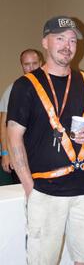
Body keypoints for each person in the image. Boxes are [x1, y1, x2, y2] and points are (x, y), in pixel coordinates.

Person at [7, 16, 84, 265]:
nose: (67, 45)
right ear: (45, 42)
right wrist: (29, 186)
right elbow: (14, 136)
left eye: (73, 40)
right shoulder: (26, 85)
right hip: (45, 190)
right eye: (60, 38)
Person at [0, 49, 44, 182]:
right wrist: (5, 153)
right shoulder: (14, 88)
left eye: (34, 63)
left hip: (42, 155)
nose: (31, 68)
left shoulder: (48, 88)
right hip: (20, 155)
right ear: (22, 66)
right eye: (27, 64)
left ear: (41, 63)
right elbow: (3, 124)